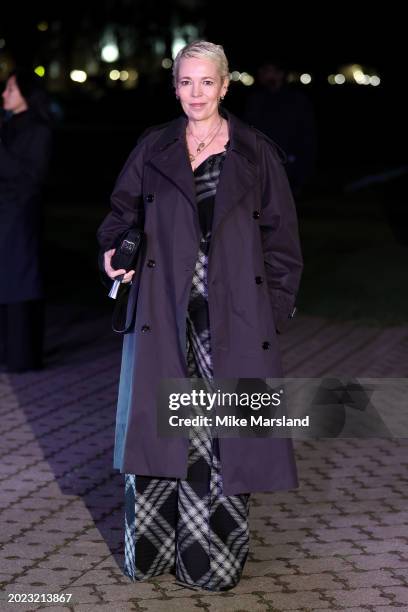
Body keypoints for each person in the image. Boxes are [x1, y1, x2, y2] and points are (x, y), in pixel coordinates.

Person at [97, 40, 303, 591]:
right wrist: (114, 252)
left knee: (221, 436)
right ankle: (156, 553)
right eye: (186, 83)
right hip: (163, 312)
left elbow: (282, 243)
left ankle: (212, 561)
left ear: (225, 85)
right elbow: (119, 215)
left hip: (233, 319)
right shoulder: (154, 145)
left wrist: (272, 313)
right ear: (175, 86)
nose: (195, 93)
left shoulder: (255, 151)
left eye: (206, 83)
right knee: (164, 429)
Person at [0, 69, 52, 372]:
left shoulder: (39, 129)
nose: (5, 95)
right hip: (8, 214)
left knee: (19, 281)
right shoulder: (12, 125)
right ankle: (11, 352)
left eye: (10, 89)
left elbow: (30, 177)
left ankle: (23, 356)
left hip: (20, 217)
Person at [244, 59, 317, 197]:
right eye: (261, 71)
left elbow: (306, 133)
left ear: (280, 74)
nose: (262, 74)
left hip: (288, 162)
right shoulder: (256, 99)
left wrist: (298, 162)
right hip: (261, 162)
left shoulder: (296, 100)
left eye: (267, 70)